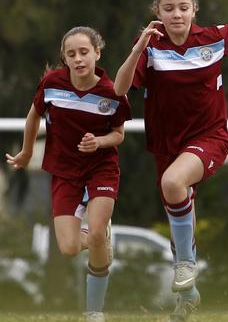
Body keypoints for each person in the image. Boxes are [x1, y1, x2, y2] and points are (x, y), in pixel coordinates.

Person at [113, 0, 228, 322]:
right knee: (181, 216)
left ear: (194, 9)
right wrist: (139, 48)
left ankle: (185, 266)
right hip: (166, 143)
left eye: (183, 7)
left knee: (174, 184)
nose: (176, 14)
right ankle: (188, 299)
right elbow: (119, 88)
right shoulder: (150, 45)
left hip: (209, 137)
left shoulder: (213, 38)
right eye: (168, 8)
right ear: (157, 12)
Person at [5, 26, 132, 322]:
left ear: (97, 54)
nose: (78, 59)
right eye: (71, 54)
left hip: (101, 168)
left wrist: (98, 142)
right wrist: (25, 152)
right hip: (64, 172)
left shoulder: (112, 92)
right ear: (64, 58)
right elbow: (34, 115)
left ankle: (93, 312)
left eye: (84, 52)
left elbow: (119, 134)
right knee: (69, 248)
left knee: (97, 233)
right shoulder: (52, 83)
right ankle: (96, 237)